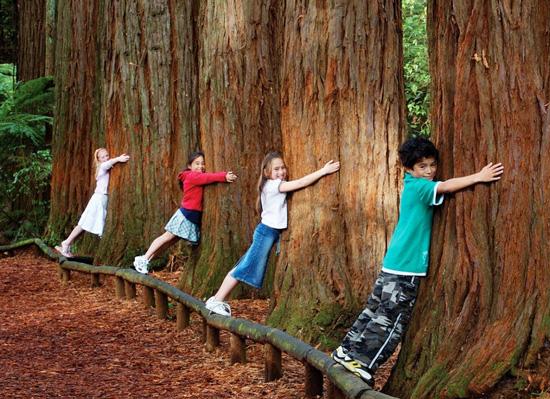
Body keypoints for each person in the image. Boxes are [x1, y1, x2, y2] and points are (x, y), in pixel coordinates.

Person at [331, 137, 504, 385]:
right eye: (422, 166)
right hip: (406, 267)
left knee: (374, 309)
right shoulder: (419, 187)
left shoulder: (411, 185)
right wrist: (478, 176)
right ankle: (361, 360)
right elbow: (446, 186)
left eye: (432, 165)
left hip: (393, 262)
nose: (430, 171)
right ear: (409, 168)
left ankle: (346, 350)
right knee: (392, 318)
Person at [205, 151, 340, 316]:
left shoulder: (269, 185)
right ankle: (217, 300)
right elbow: (302, 182)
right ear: (267, 172)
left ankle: (217, 300)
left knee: (242, 265)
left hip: (267, 233)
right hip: (266, 233)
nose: (281, 172)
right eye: (276, 169)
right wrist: (323, 171)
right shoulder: (274, 185)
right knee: (244, 267)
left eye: (283, 168)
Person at [133, 150, 237, 274]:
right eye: (197, 164)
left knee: (169, 242)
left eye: (203, 163)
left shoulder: (194, 176)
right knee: (166, 237)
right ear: (189, 166)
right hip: (186, 215)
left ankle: (147, 260)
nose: (201, 167)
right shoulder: (192, 176)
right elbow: (208, 177)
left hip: (190, 217)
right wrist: (224, 176)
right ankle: (143, 258)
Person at [55, 148, 130, 257]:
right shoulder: (102, 167)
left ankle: (67, 243)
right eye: (102, 157)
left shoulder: (105, 166)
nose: (106, 158)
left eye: (107, 155)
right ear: (98, 160)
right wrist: (119, 158)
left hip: (101, 198)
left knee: (85, 224)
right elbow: (107, 164)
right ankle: (66, 243)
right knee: (84, 223)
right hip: (98, 199)